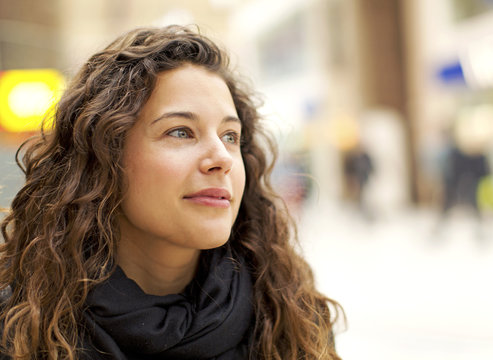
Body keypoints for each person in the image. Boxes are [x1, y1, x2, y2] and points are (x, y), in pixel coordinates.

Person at [0, 25, 342, 359]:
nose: (221, 158)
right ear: (103, 157)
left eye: (230, 136)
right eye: (181, 132)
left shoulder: (292, 319)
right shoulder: (17, 330)